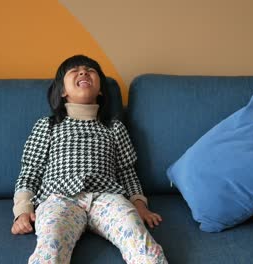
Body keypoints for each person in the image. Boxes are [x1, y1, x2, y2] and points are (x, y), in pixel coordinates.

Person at [11, 55, 168, 264]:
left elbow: (127, 172)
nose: (83, 72)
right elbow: (30, 171)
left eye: (89, 70)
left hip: (107, 197)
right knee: (50, 246)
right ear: (63, 91)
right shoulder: (47, 126)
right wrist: (23, 211)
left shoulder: (114, 128)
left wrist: (139, 204)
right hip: (59, 198)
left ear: (101, 89)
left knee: (140, 239)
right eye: (74, 71)